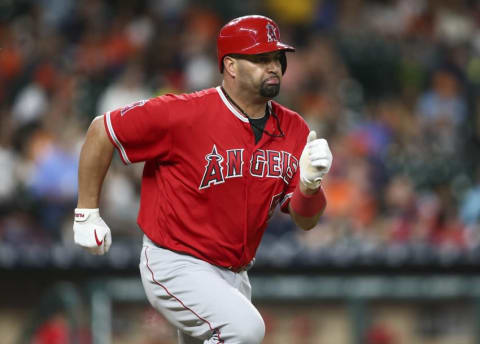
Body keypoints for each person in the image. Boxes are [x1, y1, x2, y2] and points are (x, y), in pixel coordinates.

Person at [73, 15, 333, 344]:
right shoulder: (184, 114)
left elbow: (306, 220)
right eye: (261, 59)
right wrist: (87, 211)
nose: (274, 67)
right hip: (175, 261)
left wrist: (310, 186)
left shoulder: (294, 129)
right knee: (246, 330)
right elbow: (103, 130)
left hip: (235, 274)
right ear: (231, 66)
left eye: (277, 58)